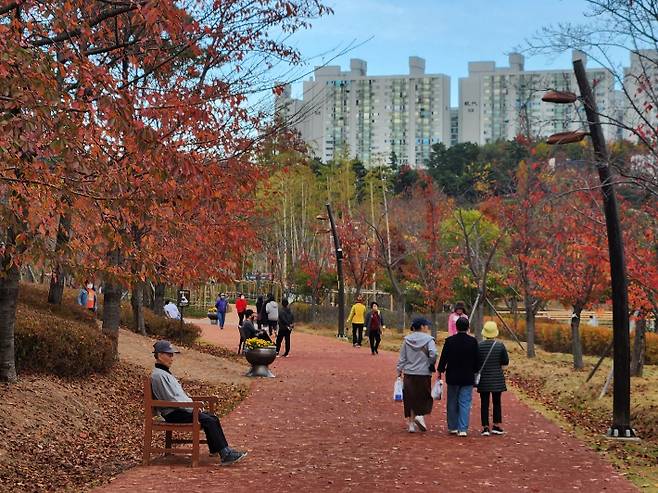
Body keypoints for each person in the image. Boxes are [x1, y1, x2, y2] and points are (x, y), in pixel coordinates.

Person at [150, 340, 247, 465]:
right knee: (208, 420)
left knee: (212, 418)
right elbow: (172, 399)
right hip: (174, 412)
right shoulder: (159, 375)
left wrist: (192, 405)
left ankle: (222, 451)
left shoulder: (163, 373)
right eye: (169, 355)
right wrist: (192, 408)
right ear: (159, 355)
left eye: (172, 355)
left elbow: (177, 396)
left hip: (180, 409)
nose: (172, 358)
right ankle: (225, 454)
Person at [438, 316, 479, 437]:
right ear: (468, 328)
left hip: (453, 376)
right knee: (465, 402)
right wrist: (475, 371)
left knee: (452, 401)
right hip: (467, 376)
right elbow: (477, 361)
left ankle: (452, 427)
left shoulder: (450, 341)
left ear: (456, 327)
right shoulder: (473, 342)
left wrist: (440, 370)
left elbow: (443, 358)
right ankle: (463, 429)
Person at [396, 317, 437, 433]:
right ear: (422, 327)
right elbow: (433, 354)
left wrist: (399, 371)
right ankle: (420, 415)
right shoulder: (429, 340)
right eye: (426, 326)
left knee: (410, 398)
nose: (427, 328)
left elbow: (402, 358)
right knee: (423, 396)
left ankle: (411, 424)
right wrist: (430, 362)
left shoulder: (406, 340)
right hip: (424, 373)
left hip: (409, 372)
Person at [477, 321, 509, 436]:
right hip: (497, 379)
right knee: (497, 402)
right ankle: (496, 425)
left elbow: (476, 363)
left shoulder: (479, 346)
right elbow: (505, 361)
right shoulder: (500, 346)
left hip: (484, 379)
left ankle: (485, 427)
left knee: (484, 403)